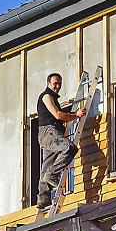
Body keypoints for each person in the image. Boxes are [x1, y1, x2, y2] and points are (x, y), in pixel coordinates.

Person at [35, 73, 87, 210]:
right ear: (48, 84)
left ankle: (43, 199)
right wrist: (76, 115)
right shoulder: (46, 96)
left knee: (46, 165)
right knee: (69, 149)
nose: (57, 86)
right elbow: (57, 115)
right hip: (49, 132)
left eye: (59, 84)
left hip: (47, 134)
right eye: (55, 83)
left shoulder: (51, 98)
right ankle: (52, 175)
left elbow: (57, 116)